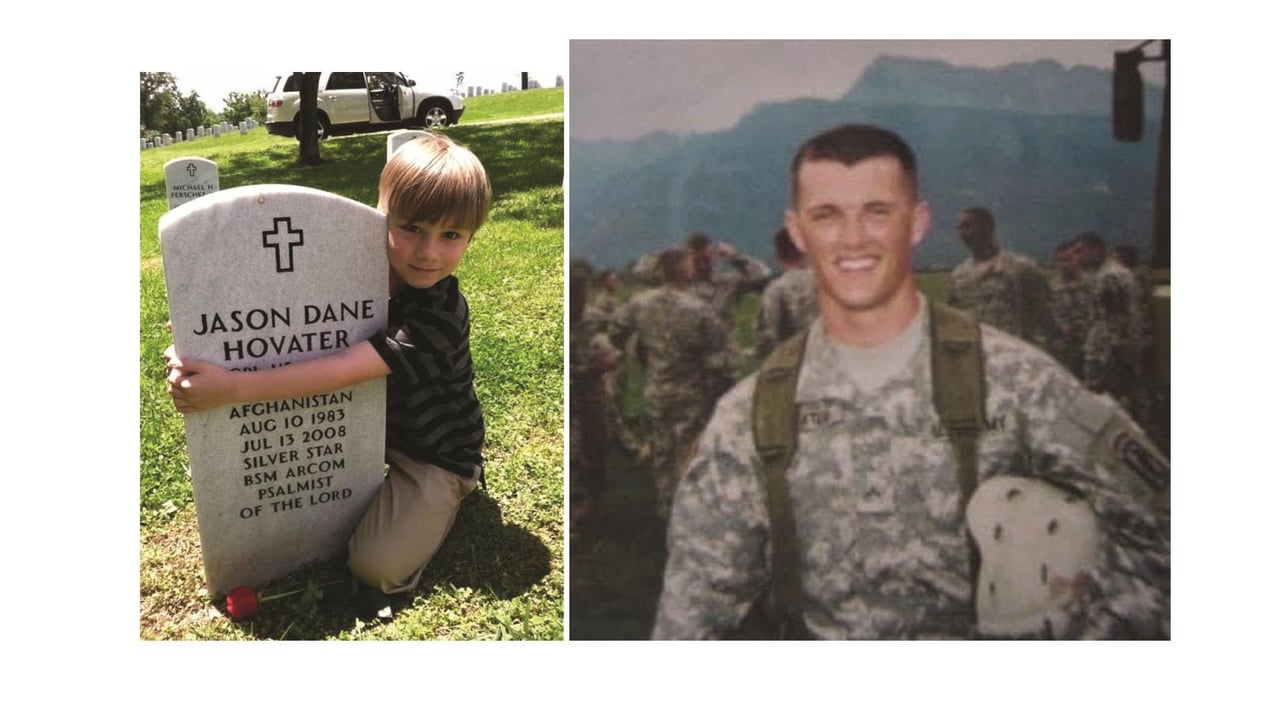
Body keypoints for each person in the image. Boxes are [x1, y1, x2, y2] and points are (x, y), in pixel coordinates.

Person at [652, 124, 1170, 640]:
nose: (853, 238)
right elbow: (692, 614)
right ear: (798, 231)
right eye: (827, 215)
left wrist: (1083, 629)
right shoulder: (752, 415)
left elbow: (1164, 532)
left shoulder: (1018, 383)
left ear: (917, 223)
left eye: (877, 212)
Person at [165, 133, 491, 613]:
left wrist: (232, 387)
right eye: (412, 227)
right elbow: (287, 324)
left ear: (471, 236)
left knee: (374, 566)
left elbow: (340, 368)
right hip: (364, 430)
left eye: (451, 235)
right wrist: (203, 345)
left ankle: (453, 494)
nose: (428, 252)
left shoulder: (438, 316)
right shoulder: (352, 276)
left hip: (434, 454)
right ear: (379, 216)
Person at [611, 246, 735, 518]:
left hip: (656, 391)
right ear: (685, 270)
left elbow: (616, 332)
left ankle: (667, 508)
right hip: (691, 394)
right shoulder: (698, 309)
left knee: (662, 452)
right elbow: (721, 362)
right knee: (689, 452)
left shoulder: (640, 303)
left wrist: (642, 352)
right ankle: (691, 513)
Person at [946, 206, 1057, 349]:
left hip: (1014, 353)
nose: (962, 233)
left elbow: (1047, 317)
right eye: (959, 228)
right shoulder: (959, 275)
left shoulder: (1020, 268)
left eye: (967, 226)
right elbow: (955, 319)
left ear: (988, 227)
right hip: (977, 353)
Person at [755, 226, 819, 359]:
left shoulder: (776, 289)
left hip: (794, 362)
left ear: (778, 254)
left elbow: (767, 335)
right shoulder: (827, 284)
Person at [1047, 238, 1096, 379]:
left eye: (1068, 260)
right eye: (1060, 261)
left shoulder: (1093, 283)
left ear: (1077, 259)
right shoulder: (1051, 286)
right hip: (1064, 347)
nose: (1064, 265)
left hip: (1090, 344)